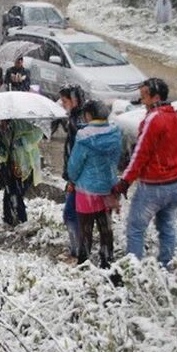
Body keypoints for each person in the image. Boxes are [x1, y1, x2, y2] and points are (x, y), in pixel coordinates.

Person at [112, 78, 177, 268]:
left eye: (144, 96)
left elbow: (140, 153)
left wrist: (125, 181)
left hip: (152, 187)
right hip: (173, 186)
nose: (141, 100)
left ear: (156, 97)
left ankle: (134, 270)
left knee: (136, 228)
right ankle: (166, 267)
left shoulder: (154, 118)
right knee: (167, 227)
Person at [67, 100, 121, 268]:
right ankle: (107, 260)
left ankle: (84, 262)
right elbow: (116, 159)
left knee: (86, 229)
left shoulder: (84, 137)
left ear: (89, 115)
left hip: (87, 190)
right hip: (108, 188)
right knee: (105, 228)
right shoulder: (115, 133)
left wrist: (72, 180)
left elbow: (75, 165)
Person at [0, 120, 43, 226]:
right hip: (13, 169)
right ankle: (9, 220)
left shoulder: (21, 124)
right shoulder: (0, 133)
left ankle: (22, 222)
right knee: (8, 195)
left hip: (28, 167)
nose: (0, 125)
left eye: (1, 122)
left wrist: (23, 141)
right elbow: (4, 157)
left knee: (16, 194)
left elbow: (39, 133)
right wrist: (1, 148)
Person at [59, 84, 86, 257]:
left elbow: (78, 153)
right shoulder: (77, 118)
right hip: (79, 176)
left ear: (74, 100)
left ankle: (78, 250)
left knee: (70, 214)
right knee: (77, 214)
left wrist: (72, 179)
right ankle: (78, 248)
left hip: (78, 177)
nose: (62, 104)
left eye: (64, 101)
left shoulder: (78, 123)